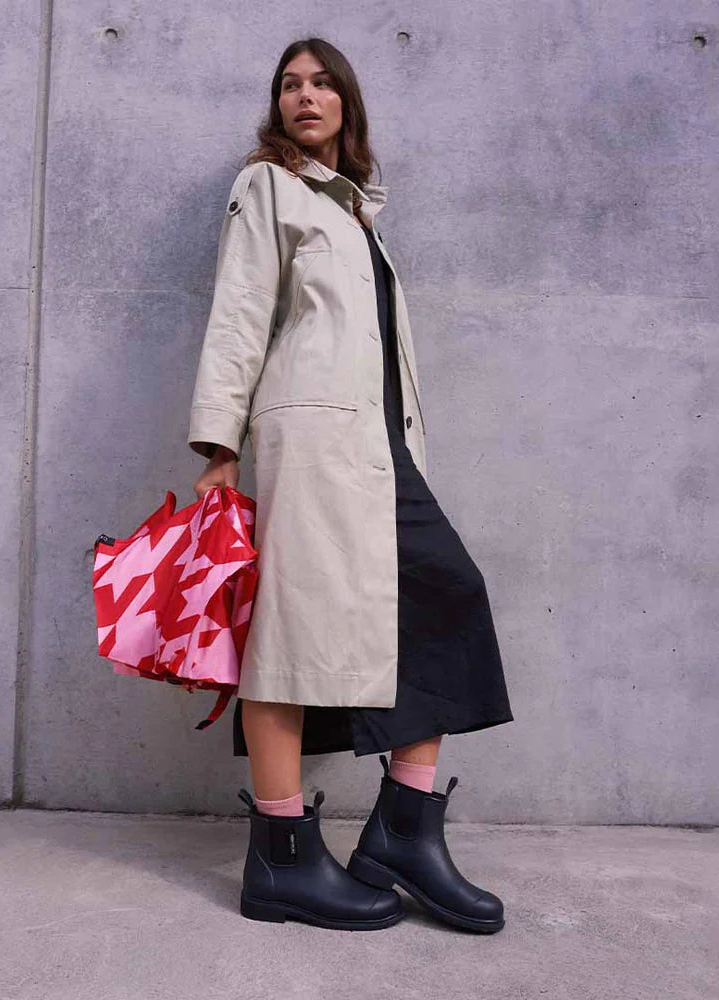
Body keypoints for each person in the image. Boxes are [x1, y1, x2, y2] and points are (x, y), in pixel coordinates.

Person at [187, 38, 514, 933]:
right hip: (314, 445)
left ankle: (402, 831)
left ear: (347, 102)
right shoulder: (269, 187)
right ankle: (281, 860)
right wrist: (219, 444)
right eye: (289, 85)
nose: (304, 95)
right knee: (288, 636)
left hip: (379, 451)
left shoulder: (358, 214)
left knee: (445, 599)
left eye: (321, 82)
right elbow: (240, 309)